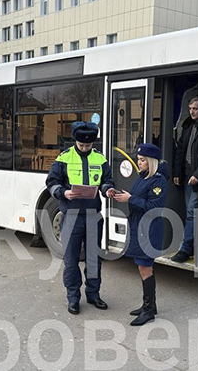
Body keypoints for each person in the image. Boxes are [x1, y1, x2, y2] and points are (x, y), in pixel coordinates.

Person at [45, 121, 117, 315]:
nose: (85, 148)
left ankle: (93, 294)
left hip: (93, 215)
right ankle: (73, 298)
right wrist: (63, 192)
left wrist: (107, 189)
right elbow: (51, 182)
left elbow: (107, 180)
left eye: (88, 145)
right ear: (75, 140)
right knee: (71, 259)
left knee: (94, 259)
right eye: (81, 145)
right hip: (72, 215)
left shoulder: (100, 159)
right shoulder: (64, 158)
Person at [114, 143, 167, 326]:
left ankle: (148, 311)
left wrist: (130, 199)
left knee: (145, 268)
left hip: (149, 229)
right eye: (138, 159)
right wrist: (124, 196)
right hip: (139, 226)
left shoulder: (158, 180)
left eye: (143, 160)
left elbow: (154, 206)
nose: (139, 163)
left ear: (151, 162)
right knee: (143, 267)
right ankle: (150, 305)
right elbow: (138, 198)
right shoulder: (143, 177)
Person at [172, 97, 198, 263]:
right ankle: (193, 245)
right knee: (191, 212)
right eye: (190, 108)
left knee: (191, 212)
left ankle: (185, 249)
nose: (192, 111)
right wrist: (177, 173)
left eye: (195, 108)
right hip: (187, 176)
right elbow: (180, 151)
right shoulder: (188, 127)